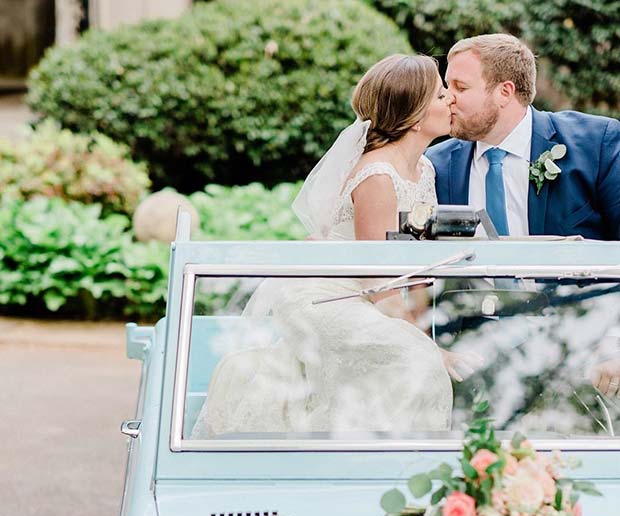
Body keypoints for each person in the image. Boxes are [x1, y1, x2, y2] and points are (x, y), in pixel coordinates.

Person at [191, 54, 455, 439]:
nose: (450, 101)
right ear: (415, 115)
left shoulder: (425, 169)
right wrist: (428, 345)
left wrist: (428, 328)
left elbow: (412, 265)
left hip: (371, 295)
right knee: (415, 359)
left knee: (411, 356)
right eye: (440, 95)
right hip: (325, 296)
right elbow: (376, 280)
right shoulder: (378, 176)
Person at [426, 34, 620, 240]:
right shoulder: (435, 165)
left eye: (461, 87)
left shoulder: (597, 145)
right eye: (447, 86)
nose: (447, 97)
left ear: (505, 92)